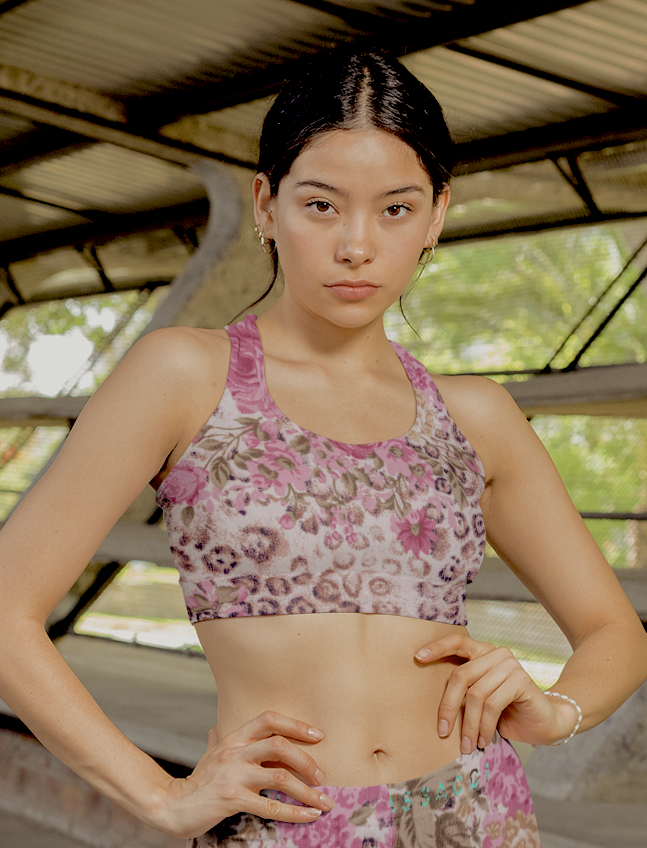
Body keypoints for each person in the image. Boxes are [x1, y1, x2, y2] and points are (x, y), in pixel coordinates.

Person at [1, 50, 646, 848]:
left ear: (437, 215)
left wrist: (558, 710)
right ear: (266, 205)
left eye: (395, 209)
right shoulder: (185, 375)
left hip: (475, 814)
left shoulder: (475, 415)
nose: (356, 244)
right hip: (284, 826)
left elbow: (614, 631)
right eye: (321, 205)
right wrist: (158, 795)